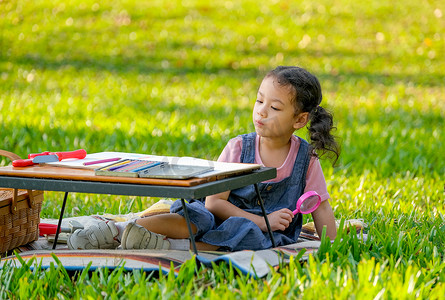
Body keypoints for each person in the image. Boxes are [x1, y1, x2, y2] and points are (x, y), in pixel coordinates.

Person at [68, 66, 340, 252]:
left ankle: (165, 246)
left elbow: (320, 208)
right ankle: (116, 230)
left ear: (300, 119)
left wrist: (330, 246)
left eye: (275, 107)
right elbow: (214, 202)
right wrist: (260, 219)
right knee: (195, 217)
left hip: (258, 231)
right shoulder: (239, 148)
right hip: (217, 212)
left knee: (254, 237)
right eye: (259, 101)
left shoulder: (306, 159)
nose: (261, 112)